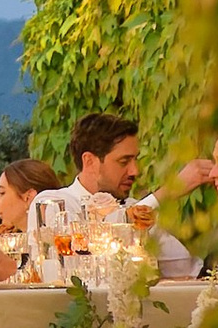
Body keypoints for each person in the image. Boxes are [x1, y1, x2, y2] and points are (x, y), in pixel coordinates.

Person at [33, 111, 199, 275]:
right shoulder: (53, 203)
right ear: (90, 161)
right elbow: (76, 268)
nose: (135, 170)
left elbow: (183, 266)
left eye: (135, 160)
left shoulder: (132, 206)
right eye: (124, 161)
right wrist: (166, 193)